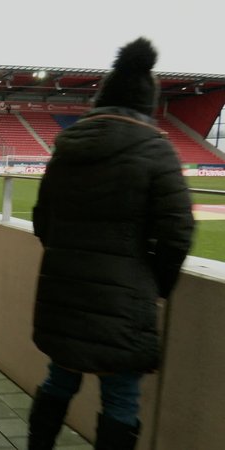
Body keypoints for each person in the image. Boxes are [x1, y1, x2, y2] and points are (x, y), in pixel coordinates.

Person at [27, 38, 194, 450]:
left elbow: (41, 220)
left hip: (64, 292)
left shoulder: (66, 148)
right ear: (147, 104)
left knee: (59, 379)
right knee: (121, 397)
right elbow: (178, 233)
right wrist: (154, 285)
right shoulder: (157, 149)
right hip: (124, 303)